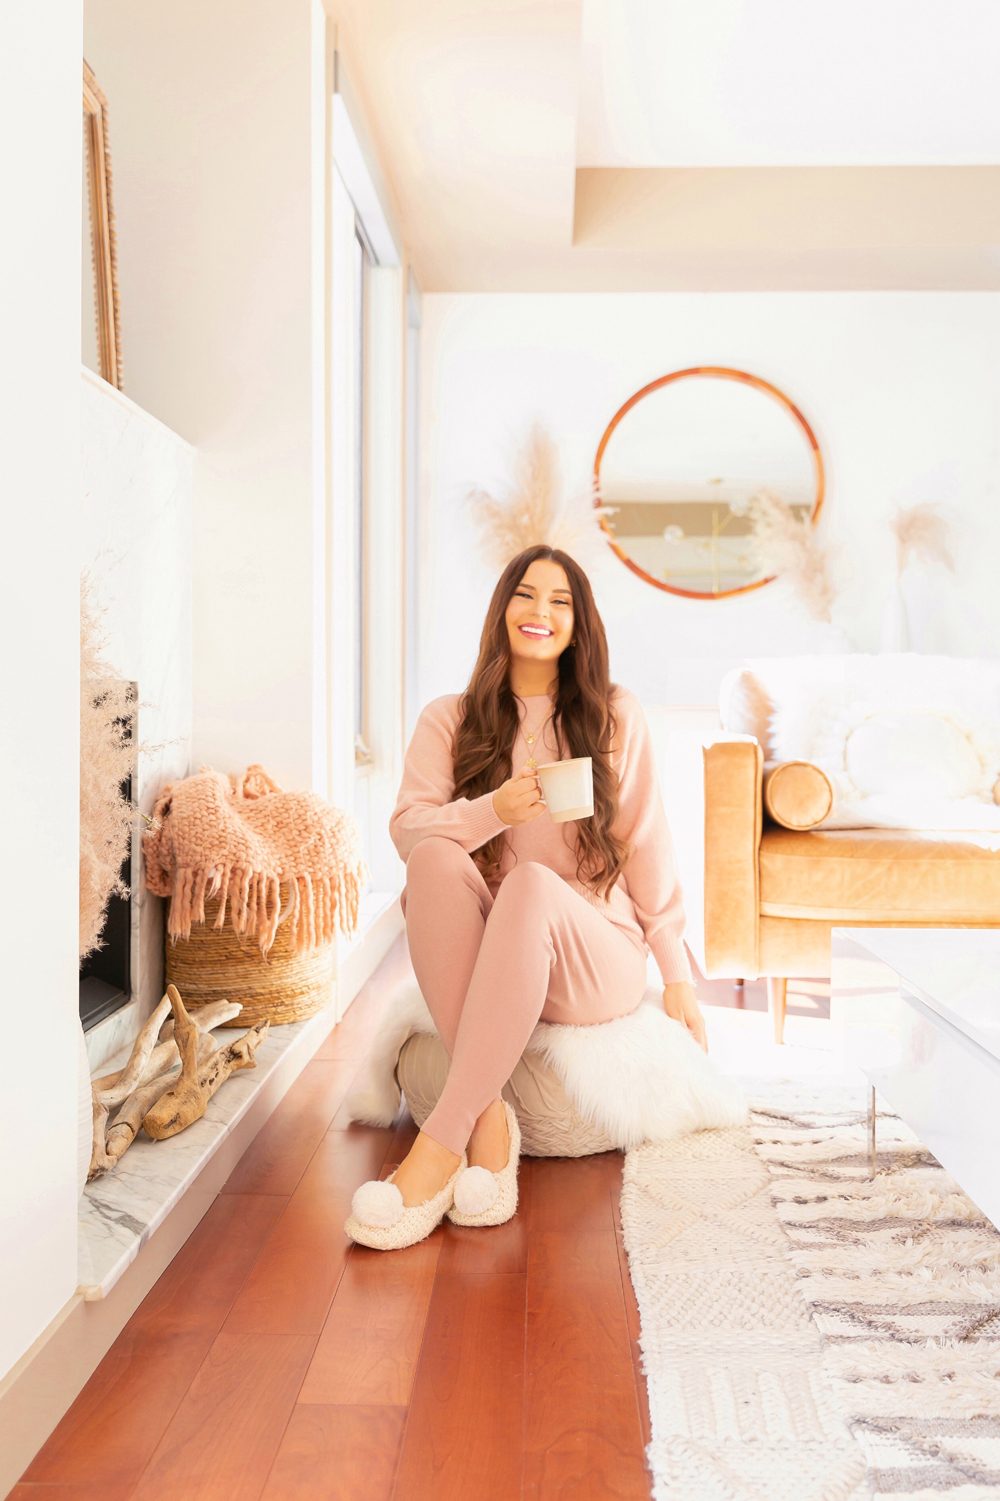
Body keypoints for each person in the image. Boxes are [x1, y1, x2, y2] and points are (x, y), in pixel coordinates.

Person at [345, 544, 705, 1250]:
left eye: (560, 601)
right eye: (526, 595)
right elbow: (407, 830)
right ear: (503, 608)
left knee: (535, 885)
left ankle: (440, 1143)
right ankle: (491, 1122)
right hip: (500, 955)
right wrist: (493, 811)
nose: (541, 612)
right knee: (436, 862)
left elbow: (647, 842)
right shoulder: (448, 718)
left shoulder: (613, 714)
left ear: (579, 625)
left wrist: (678, 974)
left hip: (594, 951)